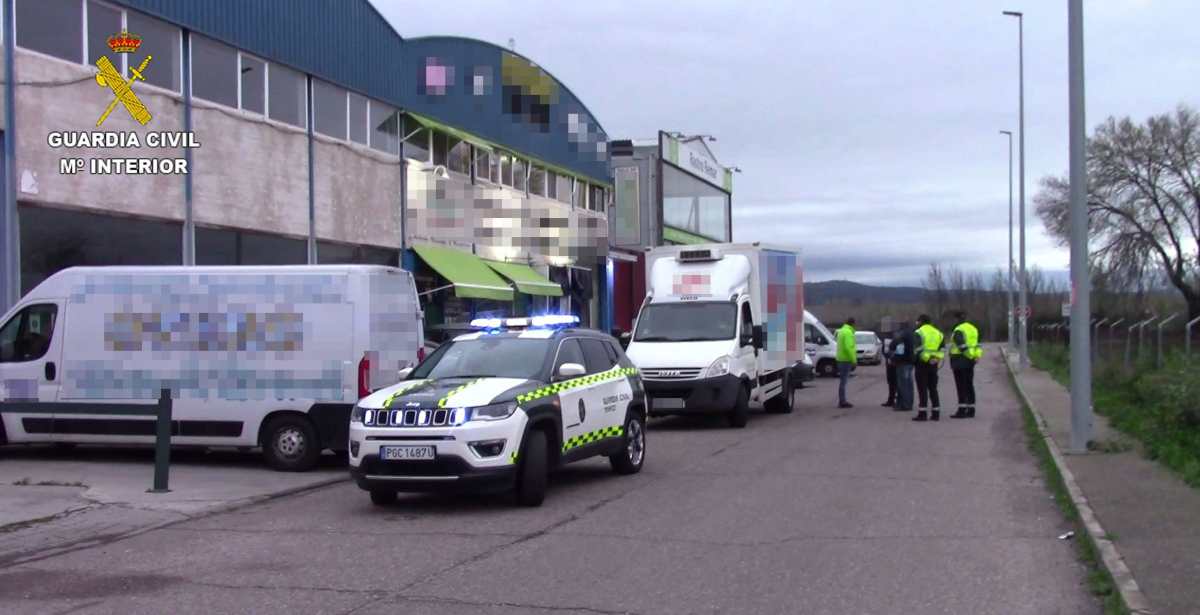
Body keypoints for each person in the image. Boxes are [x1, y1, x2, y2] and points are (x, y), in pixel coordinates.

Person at [949, 310, 983, 419]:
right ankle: (971, 409)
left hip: (960, 360)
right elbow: (978, 345)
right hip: (970, 361)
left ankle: (962, 410)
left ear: (957, 319)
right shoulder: (973, 328)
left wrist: (969, 356)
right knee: (969, 384)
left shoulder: (958, 330)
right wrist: (976, 356)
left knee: (961, 386)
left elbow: (962, 346)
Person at [912, 314, 944, 422]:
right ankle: (936, 413)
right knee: (933, 389)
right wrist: (936, 359)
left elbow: (918, 349)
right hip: (934, 364)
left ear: (920, 321)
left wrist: (927, 359)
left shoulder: (919, 332)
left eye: (917, 321)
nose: (916, 323)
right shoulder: (938, 333)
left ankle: (922, 414)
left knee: (922, 390)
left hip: (922, 364)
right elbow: (942, 349)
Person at [890, 322, 916, 412]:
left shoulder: (903, 334)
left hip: (903, 362)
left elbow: (893, 344)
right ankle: (909, 403)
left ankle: (905, 405)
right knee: (909, 384)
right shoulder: (913, 333)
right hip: (911, 361)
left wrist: (892, 354)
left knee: (903, 384)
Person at [835, 317, 858, 408]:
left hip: (840, 359)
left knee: (842, 381)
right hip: (846, 360)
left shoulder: (841, 331)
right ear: (852, 324)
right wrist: (854, 360)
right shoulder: (848, 333)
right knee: (843, 382)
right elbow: (849, 347)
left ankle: (842, 400)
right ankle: (842, 401)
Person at [881, 333, 897, 407]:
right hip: (891, 363)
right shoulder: (888, 339)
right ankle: (891, 400)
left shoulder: (887, 339)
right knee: (892, 382)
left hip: (893, 363)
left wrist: (888, 357)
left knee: (893, 382)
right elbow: (883, 350)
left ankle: (892, 400)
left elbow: (883, 351)